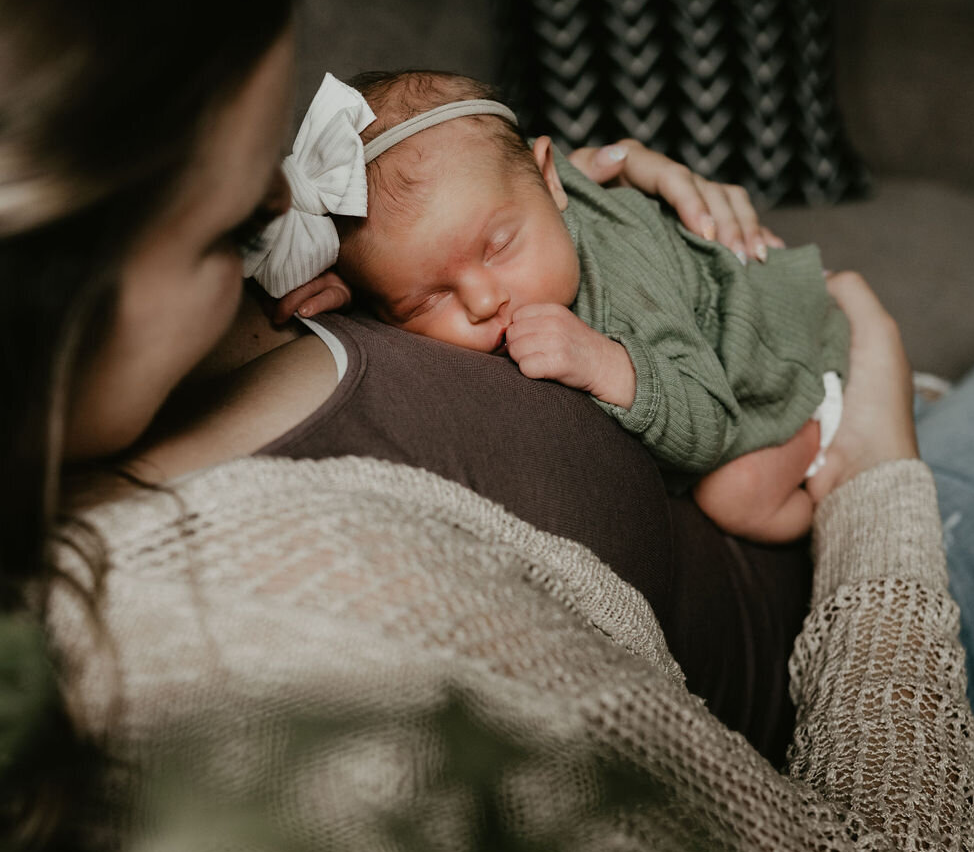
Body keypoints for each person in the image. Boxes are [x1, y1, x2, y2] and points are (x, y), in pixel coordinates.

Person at [0, 0, 974, 852]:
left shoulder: (128, 383)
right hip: (829, 605)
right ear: (53, 288)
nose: (281, 221)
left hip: (760, 411)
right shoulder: (301, 621)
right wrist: (879, 474)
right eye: (227, 226)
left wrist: (596, 208)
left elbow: (417, 198)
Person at [245, 68, 848, 542]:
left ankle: (833, 452)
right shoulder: (504, 204)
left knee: (734, 498)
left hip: (779, 342)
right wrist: (352, 291)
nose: (484, 300)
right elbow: (407, 254)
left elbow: (711, 423)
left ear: (551, 181)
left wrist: (606, 363)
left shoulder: (628, 287)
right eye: (425, 298)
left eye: (500, 245)